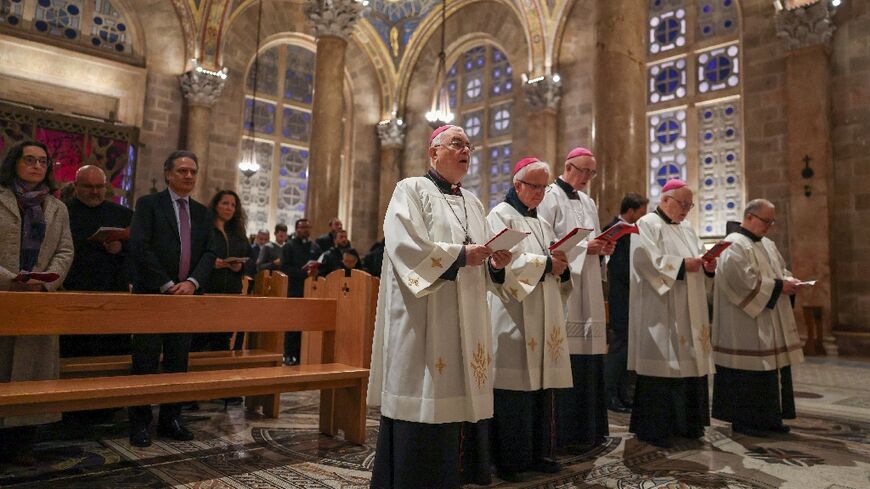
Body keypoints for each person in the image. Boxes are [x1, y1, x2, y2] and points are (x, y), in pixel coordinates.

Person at [368, 125, 511, 489]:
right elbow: (404, 247)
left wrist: (495, 262)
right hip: (426, 315)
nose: (466, 151)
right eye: (457, 144)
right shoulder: (410, 190)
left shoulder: (474, 202)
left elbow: (482, 257)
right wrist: (462, 256)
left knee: (461, 398)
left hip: (468, 312)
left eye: (469, 146)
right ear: (434, 153)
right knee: (426, 397)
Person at [486, 157, 572, 482]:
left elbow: (551, 264)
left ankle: (538, 453)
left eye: (543, 187)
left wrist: (561, 265)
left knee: (541, 389)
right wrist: (548, 265)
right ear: (517, 184)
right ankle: (509, 460)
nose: (539, 193)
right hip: (513, 316)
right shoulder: (500, 216)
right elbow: (501, 266)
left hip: (543, 313)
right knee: (514, 391)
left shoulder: (545, 224)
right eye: (534, 186)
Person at [128, 150, 216, 448]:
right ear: (168, 174)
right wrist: (167, 283)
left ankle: (171, 419)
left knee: (178, 361)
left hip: (186, 299)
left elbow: (209, 252)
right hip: (153, 295)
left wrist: (192, 282)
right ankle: (140, 423)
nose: (188, 176)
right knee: (145, 361)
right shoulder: (149, 204)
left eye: (193, 171)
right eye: (182, 171)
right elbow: (140, 246)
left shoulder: (203, 213)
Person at [628, 178, 716, 448]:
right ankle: (657, 428)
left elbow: (699, 256)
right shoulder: (645, 225)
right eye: (683, 203)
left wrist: (708, 264)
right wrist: (680, 266)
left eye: (690, 205)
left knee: (689, 365)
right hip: (661, 311)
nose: (687, 209)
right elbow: (644, 261)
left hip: (690, 308)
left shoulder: (687, 228)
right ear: (665, 199)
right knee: (663, 367)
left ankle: (689, 425)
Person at [0, 140, 74, 464]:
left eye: (42, 161)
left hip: (38, 299)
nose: (36, 166)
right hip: (4, 294)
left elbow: (66, 250)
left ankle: (22, 445)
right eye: (29, 159)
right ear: (14, 162)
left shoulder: (57, 207)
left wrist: (46, 282)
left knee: (32, 373)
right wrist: (10, 279)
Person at [537, 147, 612, 449]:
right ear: (568, 167)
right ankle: (563, 433)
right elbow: (543, 240)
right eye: (583, 171)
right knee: (566, 356)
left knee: (589, 359)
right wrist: (584, 250)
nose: (587, 178)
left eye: (592, 173)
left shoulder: (588, 201)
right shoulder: (549, 196)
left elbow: (592, 240)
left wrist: (603, 249)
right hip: (564, 287)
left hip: (590, 288)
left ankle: (588, 431)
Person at [712, 199, 805, 437]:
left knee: (769, 372)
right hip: (743, 324)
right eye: (766, 221)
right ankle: (746, 422)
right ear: (750, 216)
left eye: (772, 221)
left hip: (767, 319)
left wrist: (788, 280)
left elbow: (778, 271)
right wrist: (778, 286)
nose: (769, 226)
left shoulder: (768, 244)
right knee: (748, 374)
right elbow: (741, 282)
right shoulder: (733, 245)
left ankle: (769, 418)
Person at [62, 165, 134, 357]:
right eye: (88, 186)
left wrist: (120, 247)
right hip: (73, 288)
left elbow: (139, 250)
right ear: (76, 186)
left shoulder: (123, 214)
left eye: (99, 186)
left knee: (111, 351)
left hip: (112, 290)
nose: (95, 191)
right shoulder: (62, 212)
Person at [602, 192, 648, 413]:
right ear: (630, 211)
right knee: (619, 346)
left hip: (633, 295)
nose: (642, 217)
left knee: (627, 347)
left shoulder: (632, 230)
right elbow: (616, 267)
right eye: (640, 212)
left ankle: (622, 393)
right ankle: (609, 394)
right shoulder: (614, 230)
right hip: (621, 296)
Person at [192, 190, 250, 352]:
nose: (229, 208)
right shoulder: (205, 229)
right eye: (225, 203)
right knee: (199, 338)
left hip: (230, 292)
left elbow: (249, 259)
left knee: (223, 339)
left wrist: (240, 266)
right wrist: (210, 262)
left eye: (233, 205)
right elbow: (193, 255)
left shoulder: (238, 233)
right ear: (216, 205)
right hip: (207, 289)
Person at [279, 218, 321, 365]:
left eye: (308, 227)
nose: (306, 230)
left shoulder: (315, 247)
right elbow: (284, 268)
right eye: (303, 227)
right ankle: (289, 354)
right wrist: (303, 273)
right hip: (294, 289)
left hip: (311, 291)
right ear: (296, 229)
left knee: (306, 324)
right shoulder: (289, 246)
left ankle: (303, 354)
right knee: (293, 324)